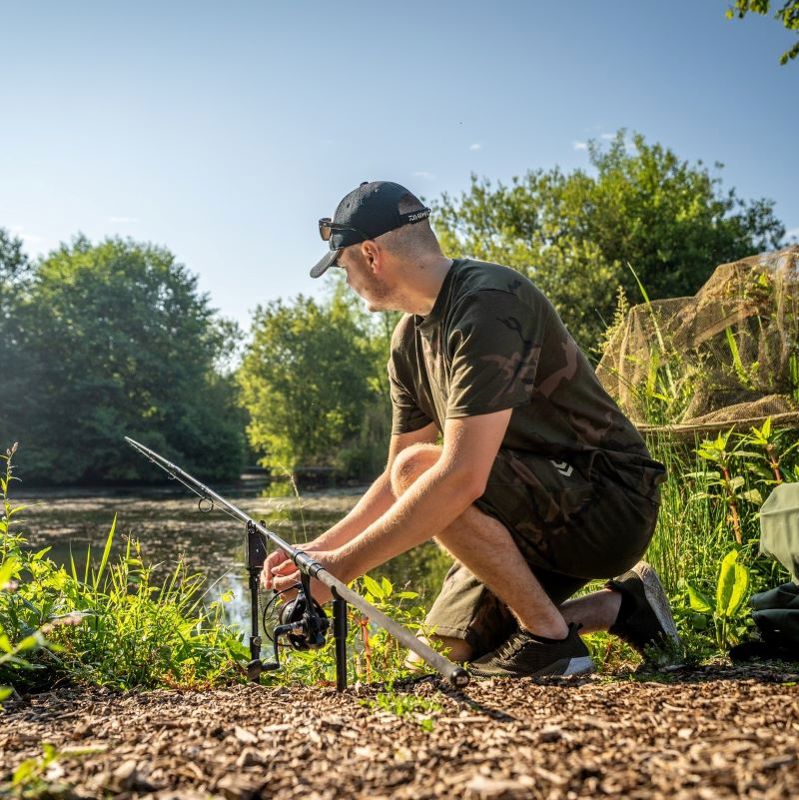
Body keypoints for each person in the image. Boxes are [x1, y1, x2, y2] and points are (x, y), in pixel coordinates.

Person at [262, 180, 679, 678]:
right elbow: (393, 480)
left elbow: (457, 476)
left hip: (608, 503)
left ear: (371, 255)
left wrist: (343, 569)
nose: (345, 279)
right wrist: (315, 554)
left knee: (421, 467)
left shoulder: (488, 303)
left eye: (343, 265)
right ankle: (621, 609)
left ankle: (552, 643)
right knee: (439, 655)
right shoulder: (407, 341)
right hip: (526, 512)